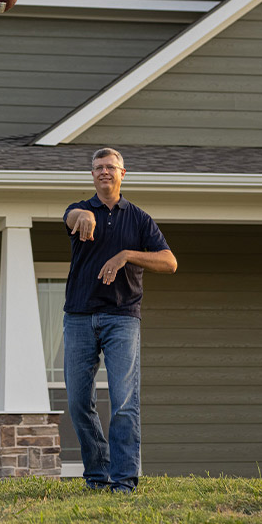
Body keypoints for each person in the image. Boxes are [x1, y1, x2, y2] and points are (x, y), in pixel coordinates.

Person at [62, 147, 177, 493]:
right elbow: (71, 218)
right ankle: (97, 476)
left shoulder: (139, 219)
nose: (104, 172)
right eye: (98, 168)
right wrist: (83, 217)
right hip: (79, 316)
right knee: (78, 402)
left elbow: (169, 262)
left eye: (110, 167)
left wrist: (127, 255)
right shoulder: (79, 210)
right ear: (92, 175)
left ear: (122, 173)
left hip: (122, 317)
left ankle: (124, 480)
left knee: (124, 400)